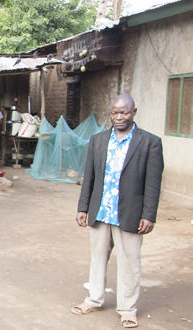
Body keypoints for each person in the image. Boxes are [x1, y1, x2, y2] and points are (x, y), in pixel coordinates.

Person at [73, 95, 164, 329]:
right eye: (115, 113)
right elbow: (89, 177)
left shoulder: (150, 142)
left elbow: (153, 182)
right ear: (110, 113)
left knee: (130, 261)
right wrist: (83, 207)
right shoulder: (98, 140)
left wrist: (149, 214)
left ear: (134, 112)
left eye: (124, 112)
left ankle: (127, 309)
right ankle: (94, 299)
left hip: (131, 213)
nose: (119, 117)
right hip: (101, 210)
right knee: (98, 258)